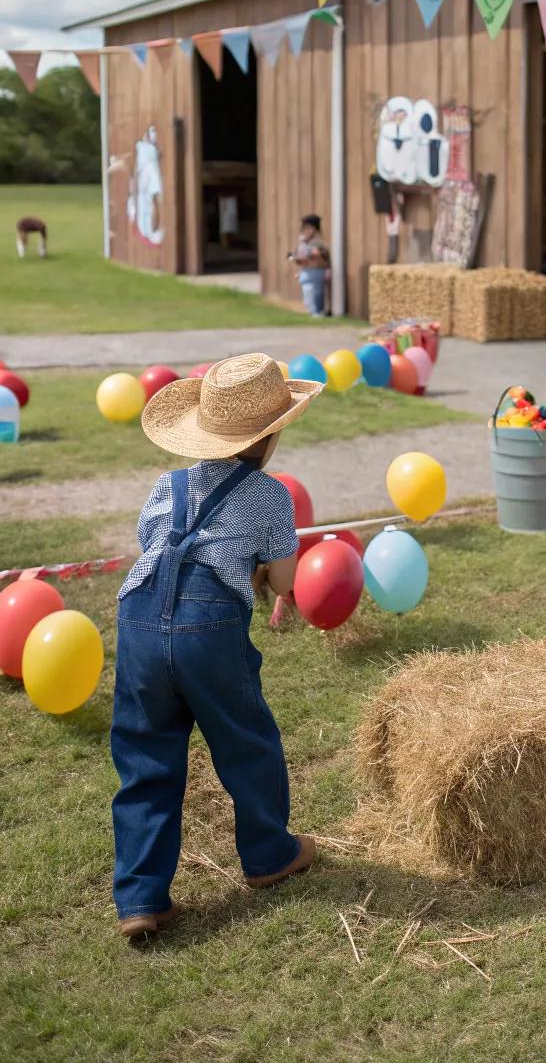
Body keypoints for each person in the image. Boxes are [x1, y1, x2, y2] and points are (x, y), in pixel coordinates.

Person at [110, 352, 325, 939]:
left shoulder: (167, 485)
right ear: (272, 436)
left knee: (146, 757)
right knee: (246, 741)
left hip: (139, 621)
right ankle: (270, 854)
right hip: (208, 630)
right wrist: (258, 571)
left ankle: (140, 898)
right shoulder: (270, 494)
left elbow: (156, 546)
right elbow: (284, 579)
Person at [289, 213, 330, 317]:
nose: (306, 231)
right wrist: (296, 258)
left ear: (315, 229)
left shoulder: (318, 242)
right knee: (308, 292)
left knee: (317, 293)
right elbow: (294, 256)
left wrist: (310, 256)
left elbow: (321, 255)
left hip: (316, 271)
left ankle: (317, 311)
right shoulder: (303, 243)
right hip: (306, 271)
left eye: (308, 228)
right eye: (304, 228)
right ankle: (313, 310)